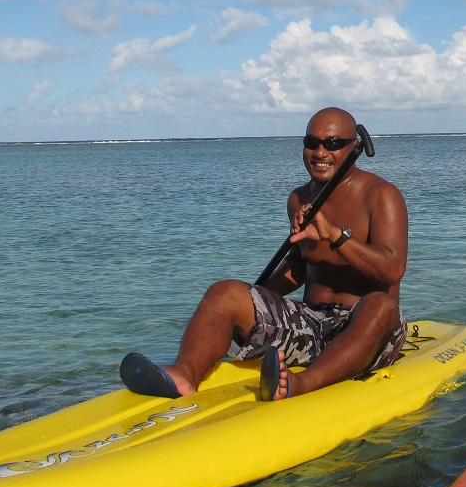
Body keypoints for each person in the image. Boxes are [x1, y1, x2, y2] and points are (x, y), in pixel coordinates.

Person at [119, 107, 408, 401]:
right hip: (311, 324)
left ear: (352, 146)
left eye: (332, 144)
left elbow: (391, 269)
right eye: (312, 142)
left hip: (367, 331)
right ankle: (183, 375)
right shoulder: (298, 198)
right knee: (225, 293)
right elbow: (298, 265)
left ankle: (302, 384)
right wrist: (248, 305)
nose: (320, 152)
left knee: (381, 306)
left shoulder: (382, 194)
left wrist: (335, 235)